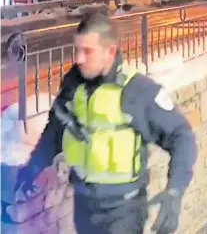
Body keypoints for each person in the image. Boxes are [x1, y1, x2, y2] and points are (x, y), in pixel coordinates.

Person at [16, 12, 197, 234]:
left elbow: (181, 135)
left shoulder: (137, 92)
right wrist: (30, 171)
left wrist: (175, 191)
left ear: (110, 51)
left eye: (88, 51)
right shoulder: (73, 87)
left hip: (124, 213)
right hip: (83, 208)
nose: (79, 59)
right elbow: (54, 133)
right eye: (77, 50)